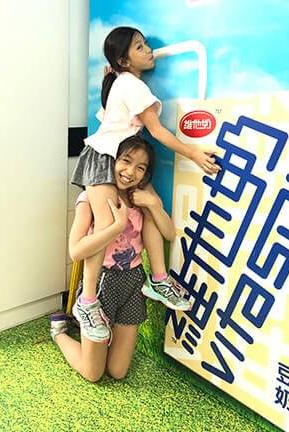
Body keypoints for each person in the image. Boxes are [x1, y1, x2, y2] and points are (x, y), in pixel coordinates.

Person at [70, 26, 219, 343]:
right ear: (124, 60)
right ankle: (87, 301)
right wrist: (194, 153)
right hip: (104, 157)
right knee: (105, 224)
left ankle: (159, 279)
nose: (148, 50)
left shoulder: (121, 83)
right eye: (139, 47)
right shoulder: (131, 84)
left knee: (152, 207)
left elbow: (108, 117)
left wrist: (112, 77)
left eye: (146, 44)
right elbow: (158, 131)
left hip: (120, 156)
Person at [51, 136, 180, 381]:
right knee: (93, 373)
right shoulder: (90, 199)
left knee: (118, 371)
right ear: (111, 161)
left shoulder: (140, 198)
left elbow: (169, 233)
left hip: (133, 282)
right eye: (125, 161)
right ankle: (59, 333)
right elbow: (76, 251)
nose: (130, 172)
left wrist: (153, 204)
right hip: (102, 282)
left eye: (140, 167)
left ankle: (99, 340)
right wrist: (116, 226)